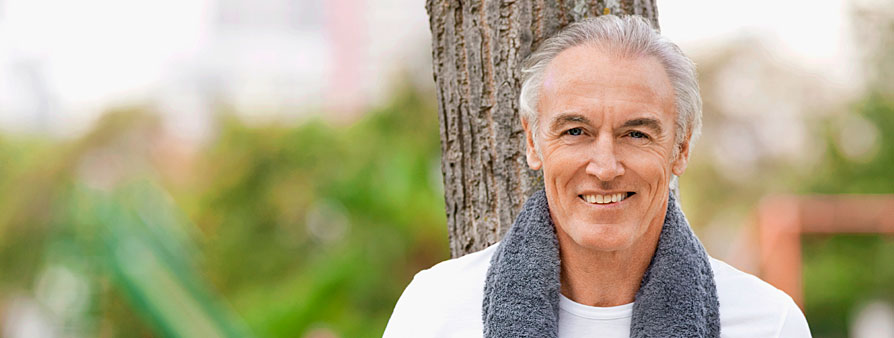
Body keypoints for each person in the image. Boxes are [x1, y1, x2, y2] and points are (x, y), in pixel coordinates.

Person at [384, 15, 811, 338]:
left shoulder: (768, 323)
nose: (605, 167)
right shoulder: (435, 311)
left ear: (680, 148)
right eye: (576, 131)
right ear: (533, 142)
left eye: (636, 133)